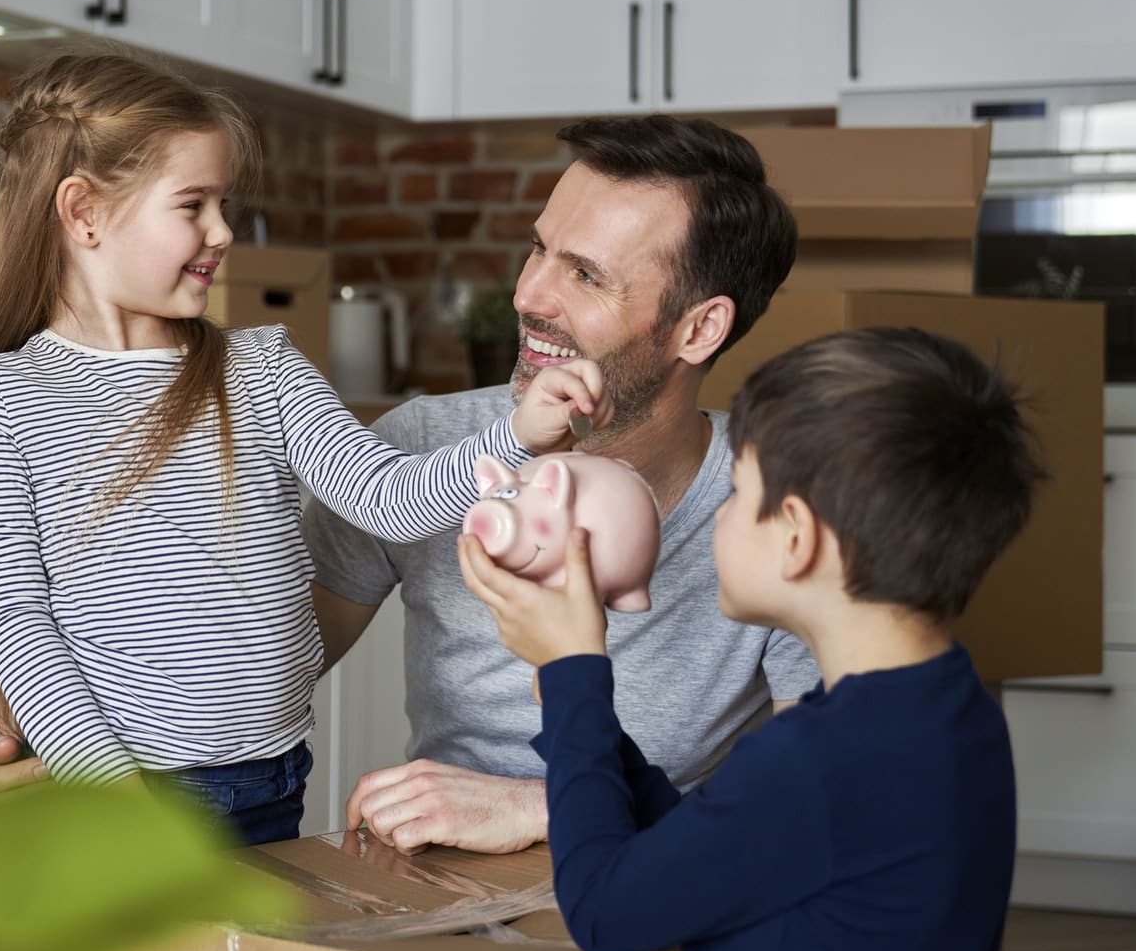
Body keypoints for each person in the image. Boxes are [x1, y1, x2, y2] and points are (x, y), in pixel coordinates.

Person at [0, 49, 605, 846]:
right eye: (192, 204)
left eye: (223, 203)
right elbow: (16, 616)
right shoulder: (0, 396)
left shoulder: (260, 365)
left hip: (271, 777)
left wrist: (515, 432)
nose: (222, 231)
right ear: (83, 213)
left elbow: (385, 496)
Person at [463, 326, 1038, 951]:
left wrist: (579, 668)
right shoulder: (953, 708)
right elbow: (713, 848)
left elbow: (606, 911)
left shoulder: (813, 762)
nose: (720, 517)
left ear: (796, 537)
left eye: (739, 493)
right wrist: (569, 686)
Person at [302, 114, 815, 854]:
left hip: (664, 890)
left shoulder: (777, 496)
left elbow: (819, 803)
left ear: (699, 330)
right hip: (433, 892)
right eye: (538, 247)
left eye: (585, 274)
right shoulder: (423, 455)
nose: (528, 294)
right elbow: (248, 687)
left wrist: (546, 806)